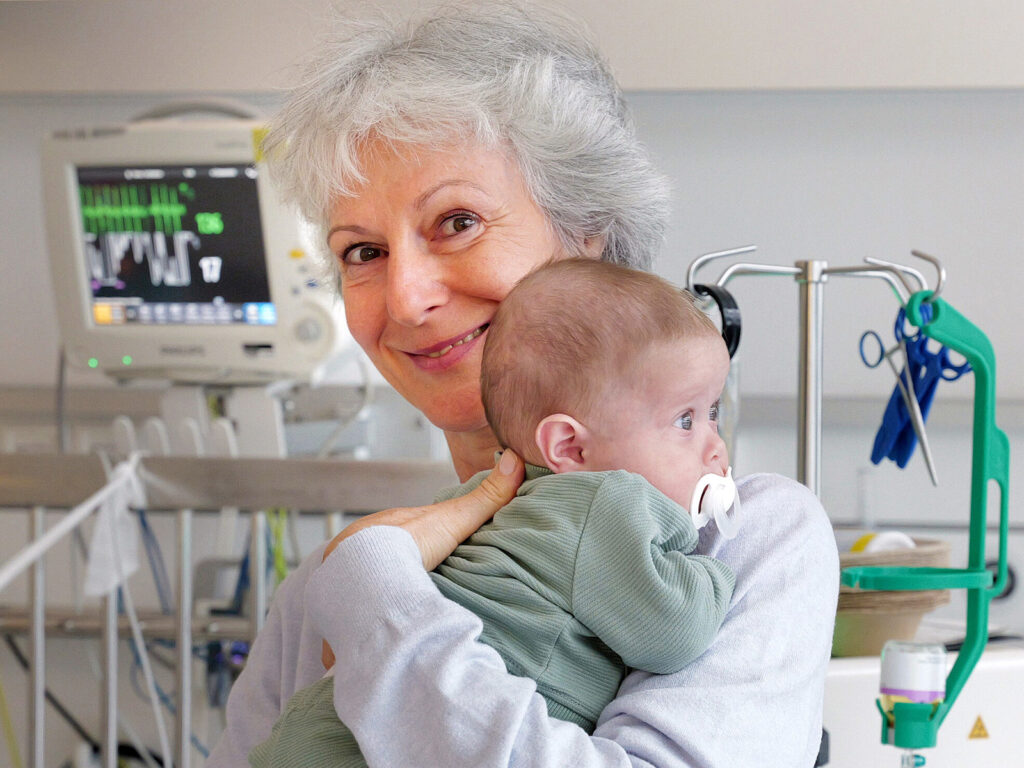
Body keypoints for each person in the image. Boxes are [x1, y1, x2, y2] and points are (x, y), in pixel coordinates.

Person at [208, 4, 839, 766]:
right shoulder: (330, 584)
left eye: (457, 222)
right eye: (363, 252)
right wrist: (365, 586)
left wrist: (382, 610)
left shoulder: (747, 544)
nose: (406, 297)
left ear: (584, 236)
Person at [249, 258, 738, 768]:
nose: (715, 446)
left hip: (323, 728)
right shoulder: (610, 501)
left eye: (712, 413)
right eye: (685, 420)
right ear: (569, 447)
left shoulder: (480, 502)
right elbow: (674, 633)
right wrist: (714, 568)